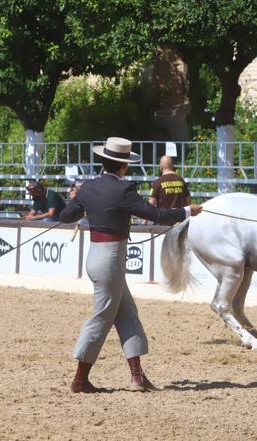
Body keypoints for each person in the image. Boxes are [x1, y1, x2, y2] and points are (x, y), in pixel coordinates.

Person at [59, 137, 202, 393]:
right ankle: (79, 380)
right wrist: (188, 211)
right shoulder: (124, 190)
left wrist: (77, 198)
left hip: (94, 258)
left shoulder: (88, 187)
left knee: (126, 313)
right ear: (123, 166)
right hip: (111, 260)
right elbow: (157, 215)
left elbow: (66, 216)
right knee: (102, 316)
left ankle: (137, 377)